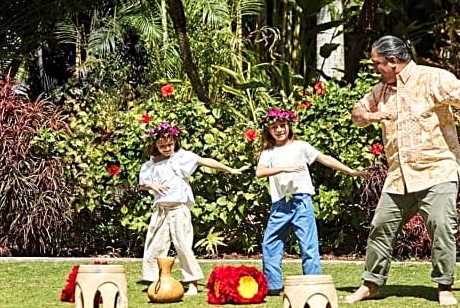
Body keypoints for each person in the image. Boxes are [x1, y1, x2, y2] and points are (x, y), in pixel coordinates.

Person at [346, 35, 460, 306]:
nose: (375, 69)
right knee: (381, 226)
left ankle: (444, 286)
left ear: (393, 61)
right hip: (400, 176)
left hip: (437, 171)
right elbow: (357, 112)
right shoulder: (381, 91)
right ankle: (371, 285)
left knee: (441, 225)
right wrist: (369, 116)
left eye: (377, 64)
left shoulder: (431, 78)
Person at [256, 107, 365, 294]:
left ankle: (313, 284)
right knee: (270, 243)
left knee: (308, 245)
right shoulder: (269, 152)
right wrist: (284, 169)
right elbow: (260, 172)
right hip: (281, 204)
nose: (279, 130)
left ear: (289, 126)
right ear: (269, 131)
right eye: (274, 127)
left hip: (301, 202)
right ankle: (273, 286)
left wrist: (351, 171)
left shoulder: (301, 146)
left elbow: (326, 159)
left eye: (282, 125)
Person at [139, 121, 247, 296]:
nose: (167, 148)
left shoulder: (181, 157)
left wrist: (230, 169)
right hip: (161, 210)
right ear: (155, 145)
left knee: (182, 245)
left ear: (175, 142)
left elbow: (204, 161)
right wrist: (153, 186)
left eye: (170, 144)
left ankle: (192, 283)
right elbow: (143, 183)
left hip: (178, 208)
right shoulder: (151, 163)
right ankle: (157, 281)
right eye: (162, 146)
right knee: (155, 246)